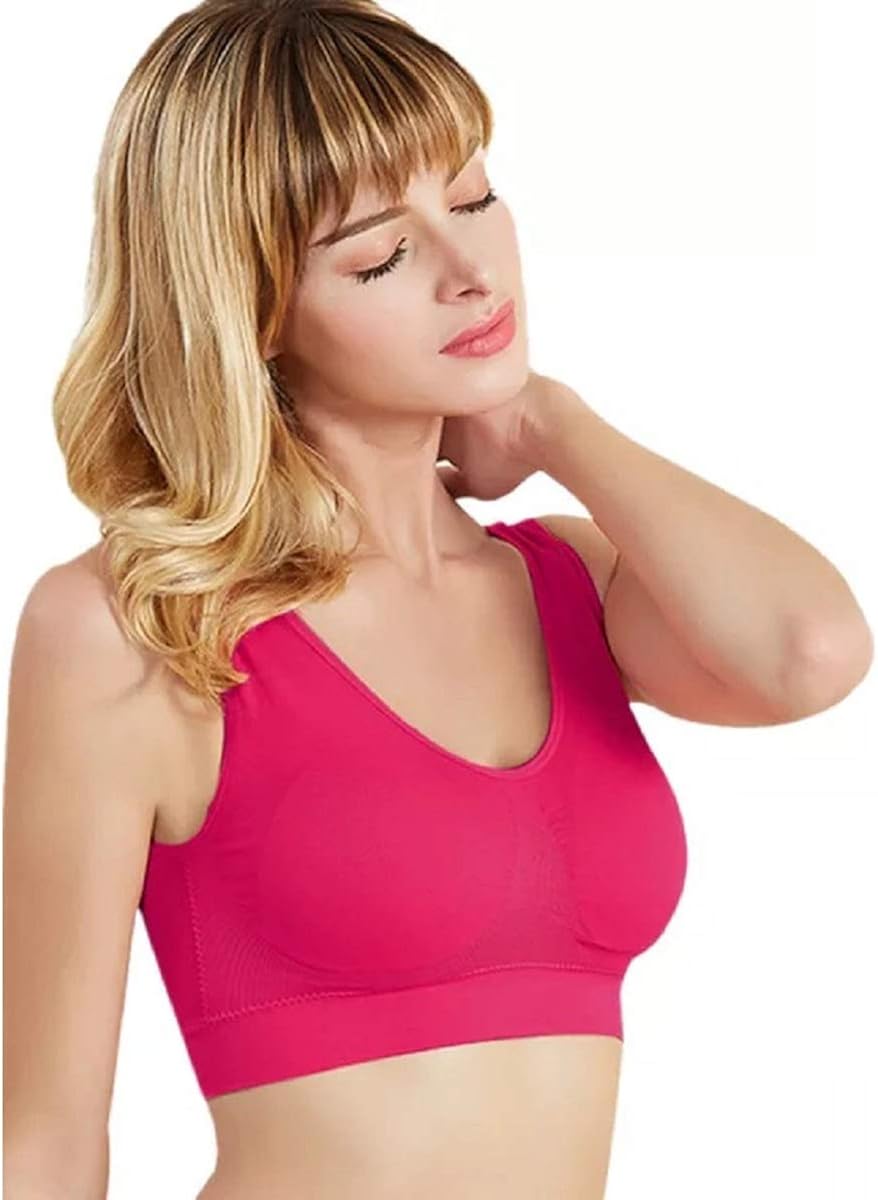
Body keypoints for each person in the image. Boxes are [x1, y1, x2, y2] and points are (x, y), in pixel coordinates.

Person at [4, 2, 872, 1198]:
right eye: (379, 256)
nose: (471, 273)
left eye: (470, 197)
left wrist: (553, 423)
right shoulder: (137, 628)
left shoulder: (570, 584)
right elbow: (43, 1144)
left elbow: (809, 654)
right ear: (249, 305)